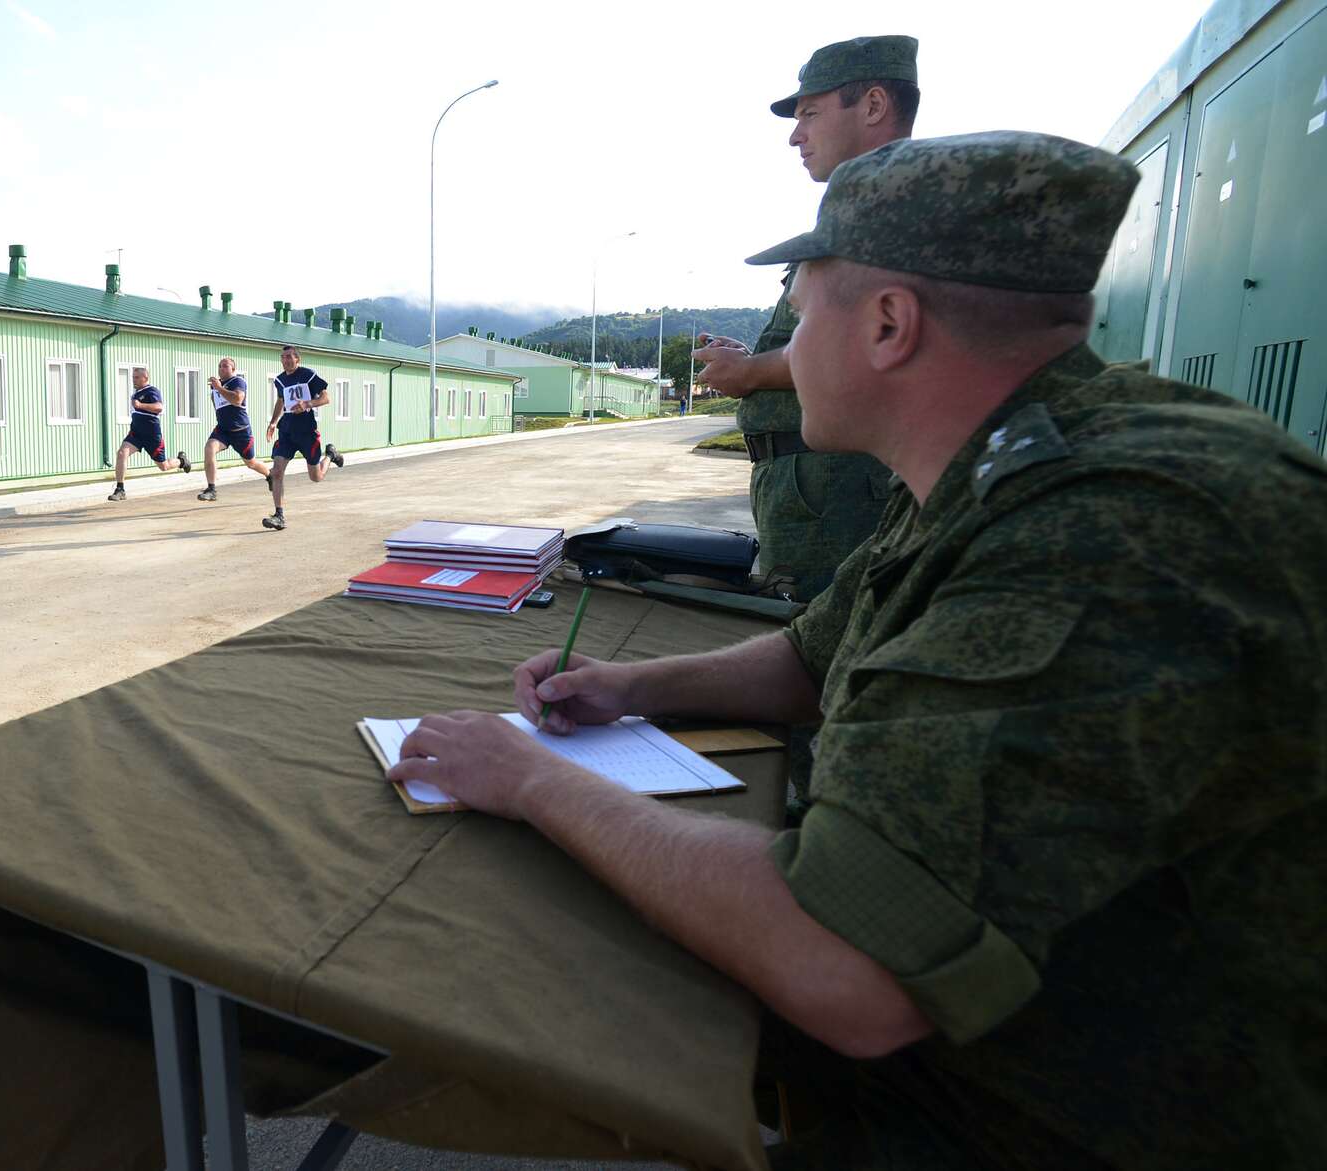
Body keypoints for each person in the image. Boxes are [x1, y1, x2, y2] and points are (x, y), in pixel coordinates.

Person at [387, 132, 1327, 1169]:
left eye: (797, 312)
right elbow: (812, 657)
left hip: (1085, 1114)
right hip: (1034, 1038)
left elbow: (852, 969)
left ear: (886, 323)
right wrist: (629, 687)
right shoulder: (1003, 454)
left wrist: (527, 778)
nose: (780, 352)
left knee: (515, 988)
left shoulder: (1110, 529)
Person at [694, 34, 919, 602]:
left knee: (816, 640)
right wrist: (754, 361)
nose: (796, 135)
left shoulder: (890, 202)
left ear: (872, 106)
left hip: (835, 487)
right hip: (814, 481)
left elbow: (865, 345)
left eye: (811, 113)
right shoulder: (868, 198)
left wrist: (748, 375)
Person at [260, 345, 345, 531]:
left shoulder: (308, 375)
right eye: (283, 357)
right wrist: (273, 422)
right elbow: (281, 401)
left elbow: (326, 398)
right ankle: (279, 515)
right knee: (276, 471)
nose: (286, 360)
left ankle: (330, 455)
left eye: (290, 357)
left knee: (316, 477)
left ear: (298, 359)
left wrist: (308, 403)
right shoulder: (280, 381)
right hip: (287, 431)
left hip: (306, 431)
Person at [107, 366, 189, 502]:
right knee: (122, 453)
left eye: (137, 377)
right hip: (136, 434)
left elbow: (159, 407)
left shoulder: (152, 391)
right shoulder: (135, 394)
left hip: (152, 435)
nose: (134, 379)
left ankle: (181, 461)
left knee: (164, 466)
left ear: (145, 378)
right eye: (133, 377)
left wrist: (140, 405)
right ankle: (120, 489)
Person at [197, 357, 271, 502]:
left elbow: (237, 399)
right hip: (223, 429)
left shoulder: (238, 382)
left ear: (233, 369)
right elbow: (216, 402)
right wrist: (217, 389)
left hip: (240, 431)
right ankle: (211, 489)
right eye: (219, 366)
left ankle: (270, 475)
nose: (221, 368)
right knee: (209, 448)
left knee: (251, 463)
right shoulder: (216, 385)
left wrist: (219, 388)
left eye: (225, 366)